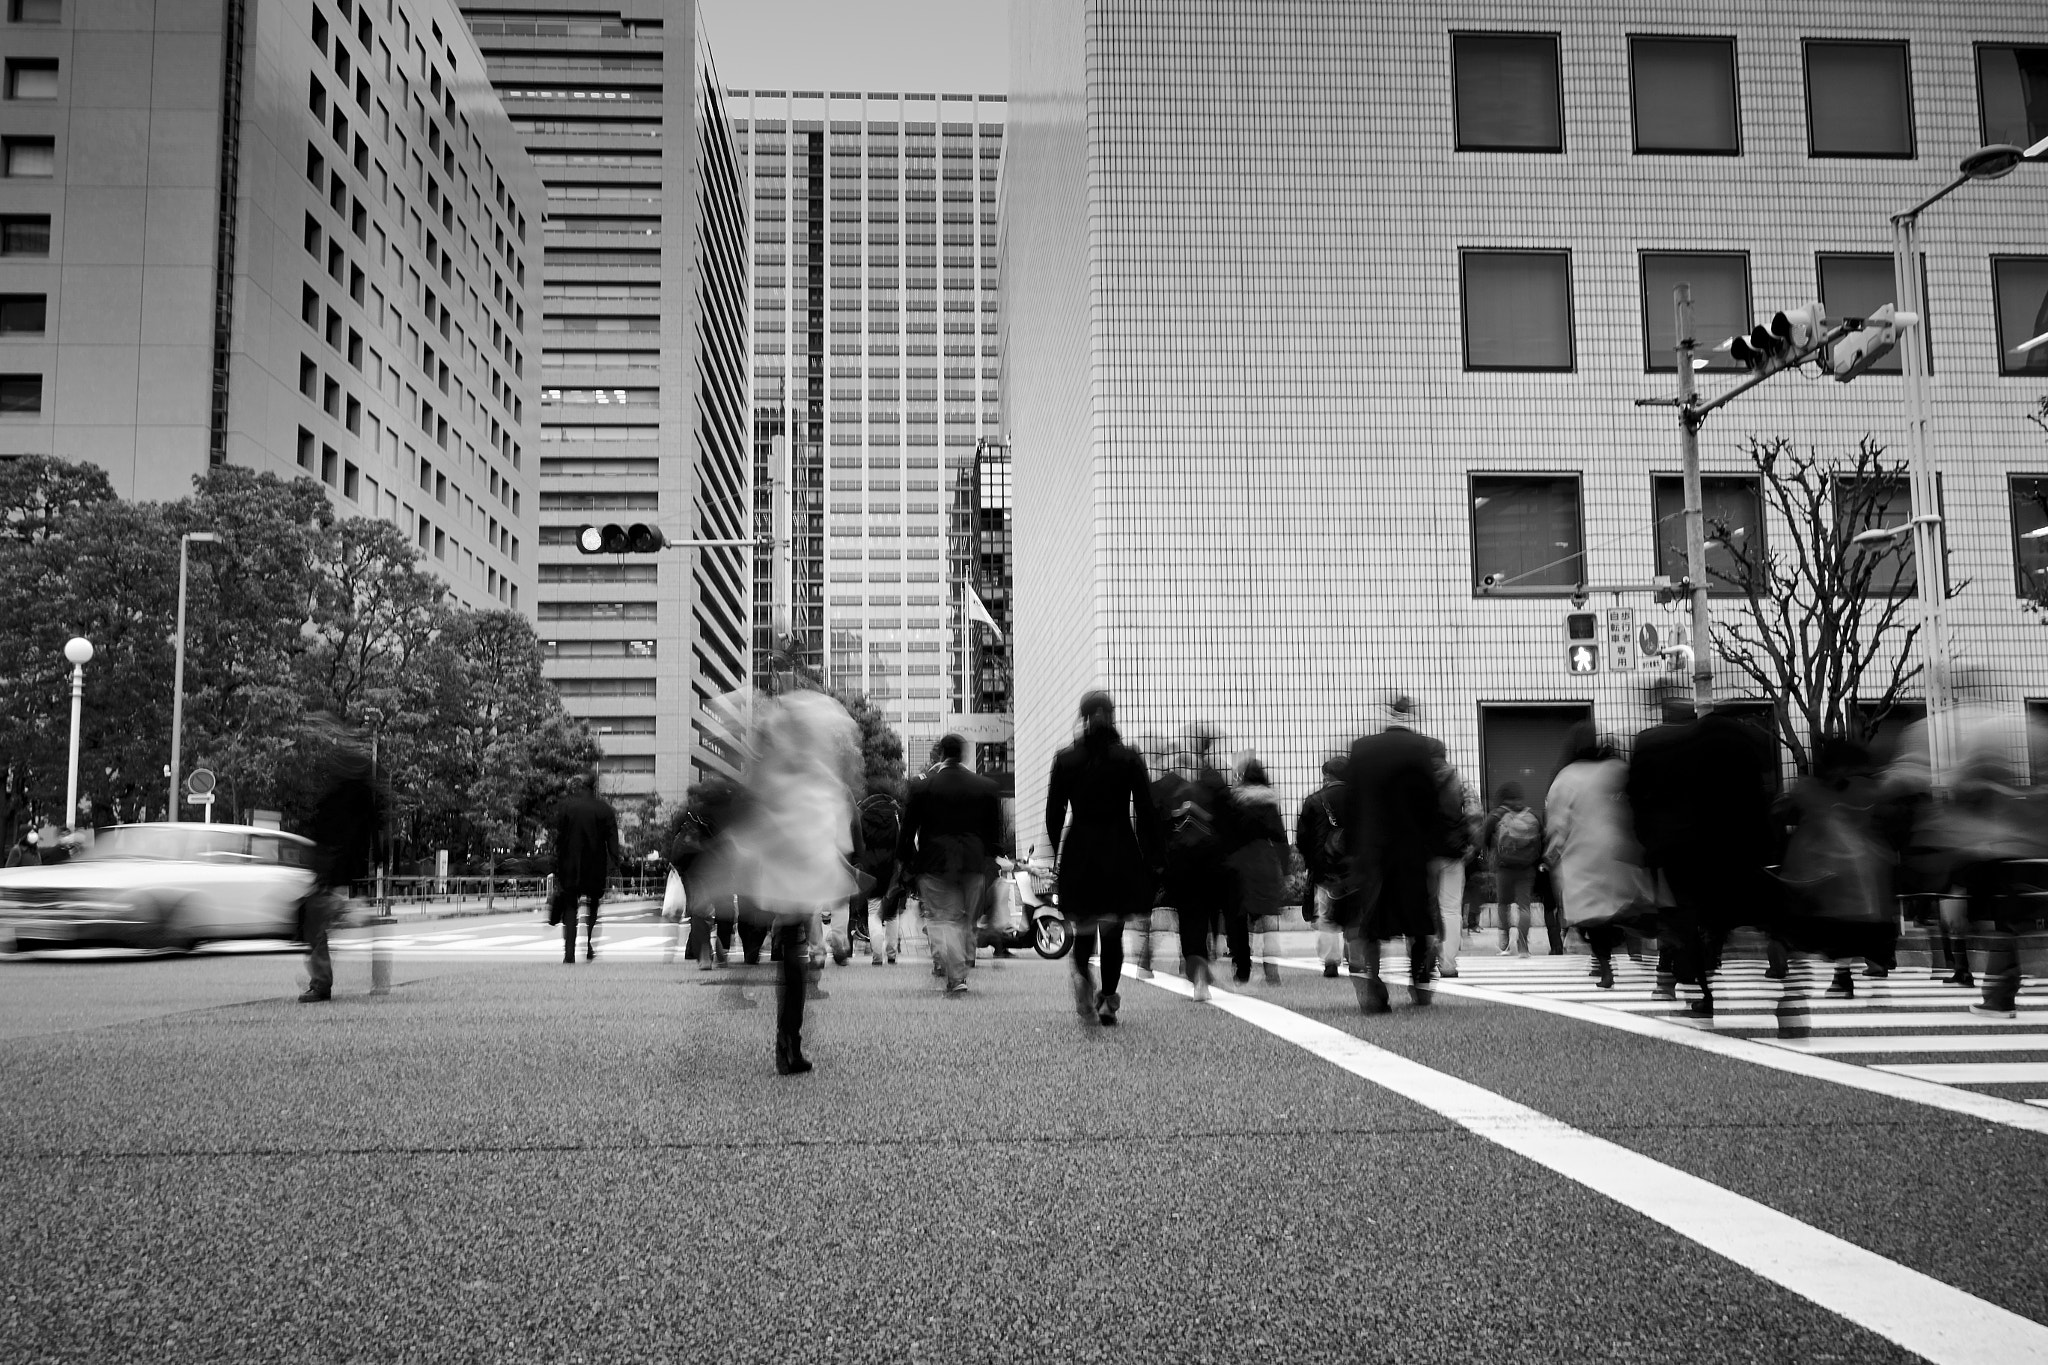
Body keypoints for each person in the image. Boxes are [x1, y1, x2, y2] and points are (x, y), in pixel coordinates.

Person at [1626, 700, 1782, 1019]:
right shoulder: (1739, 744)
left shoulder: (1664, 746)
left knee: (1684, 916)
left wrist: (1648, 847)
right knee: (1748, 915)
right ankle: (1784, 984)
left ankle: (1691, 986)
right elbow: (1761, 794)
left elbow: (1643, 800)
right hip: (1737, 847)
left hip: (1686, 850)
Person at [1046, 691, 1162, 1024]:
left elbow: (1053, 815)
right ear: (1111, 717)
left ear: (1082, 719)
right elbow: (1146, 810)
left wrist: (1058, 854)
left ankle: (1083, 977)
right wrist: (1153, 857)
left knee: (1083, 929)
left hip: (1080, 850)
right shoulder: (1127, 758)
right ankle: (1108, 1001)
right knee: (1112, 932)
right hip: (1119, 850)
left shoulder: (1066, 759)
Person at [1342, 695, 1445, 1011]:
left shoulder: (1361, 749)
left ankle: (1375, 983)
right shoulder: (1420, 749)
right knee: (1416, 916)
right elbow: (1430, 801)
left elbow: (1351, 802)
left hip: (1371, 849)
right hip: (1411, 848)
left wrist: (1352, 846)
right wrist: (1434, 848)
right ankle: (1420, 982)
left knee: (1373, 919)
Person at [1543, 723, 1652, 989]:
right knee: (1623, 909)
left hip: (1583, 858)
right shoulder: (1617, 770)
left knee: (1592, 919)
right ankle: (1635, 950)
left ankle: (1605, 968)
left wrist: (1551, 854)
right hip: (1620, 853)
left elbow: (1557, 823)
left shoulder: (1566, 777)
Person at [895, 733, 1004, 996]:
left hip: (935, 863)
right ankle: (959, 964)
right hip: (973, 862)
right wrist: (991, 857)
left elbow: (908, 830)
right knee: (965, 920)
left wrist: (905, 862)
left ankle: (955, 975)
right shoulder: (985, 787)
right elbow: (994, 833)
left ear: (941, 754)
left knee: (946, 918)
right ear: (963, 755)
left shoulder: (922, 788)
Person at [299, 731, 385, 1003]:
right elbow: (377, 828)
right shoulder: (364, 794)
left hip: (334, 865)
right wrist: (379, 859)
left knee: (313, 922)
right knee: (319, 920)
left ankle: (321, 983)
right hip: (345, 867)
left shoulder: (341, 793)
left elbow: (328, 829)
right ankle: (376, 976)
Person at [1159, 722, 1231, 1000]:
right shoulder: (1215, 781)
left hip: (1180, 863)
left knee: (1189, 917)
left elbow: (1162, 828)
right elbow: (1228, 822)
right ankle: (1203, 964)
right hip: (1211, 861)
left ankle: (1196, 968)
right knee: (1207, 915)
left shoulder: (1172, 788)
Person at [1225, 754, 1289, 985]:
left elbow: (1227, 835)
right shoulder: (1270, 801)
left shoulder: (1234, 800)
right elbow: (1280, 837)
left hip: (1240, 862)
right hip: (1265, 860)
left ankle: (1243, 968)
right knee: (1269, 919)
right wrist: (1286, 867)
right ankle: (1272, 971)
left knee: (1240, 918)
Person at [550, 772, 620, 964]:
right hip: (595, 864)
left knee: (570, 905)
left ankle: (569, 953)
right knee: (593, 905)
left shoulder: (566, 807)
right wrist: (614, 863)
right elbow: (612, 841)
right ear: (594, 787)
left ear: (580, 786)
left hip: (569, 864)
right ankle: (588, 944)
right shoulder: (604, 809)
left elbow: (558, 838)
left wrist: (555, 863)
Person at [1426, 738, 1481, 978]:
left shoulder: (1415, 781)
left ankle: (1424, 955)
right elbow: (1474, 814)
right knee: (1450, 908)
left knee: (1424, 906)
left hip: (1423, 854)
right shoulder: (1460, 779)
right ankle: (1448, 963)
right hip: (1453, 852)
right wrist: (1473, 846)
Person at [1295, 756, 1351, 978]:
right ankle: (1356, 958)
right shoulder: (1361, 799)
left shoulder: (1313, 801)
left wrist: (1311, 861)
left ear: (1327, 776)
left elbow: (1302, 839)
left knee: (1326, 914)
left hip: (1325, 867)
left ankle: (1330, 961)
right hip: (1355, 866)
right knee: (1356, 911)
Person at [1481, 782, 1544, 956]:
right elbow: (1542, 840)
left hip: (1504, 868)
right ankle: (1523, 946)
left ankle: (1505, 943)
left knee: (1503, 904)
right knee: (1524, 906)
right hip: (1527, 868)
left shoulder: (1497, 815)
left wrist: (1495, 851)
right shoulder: (1532, 815)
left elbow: (1484, 838)